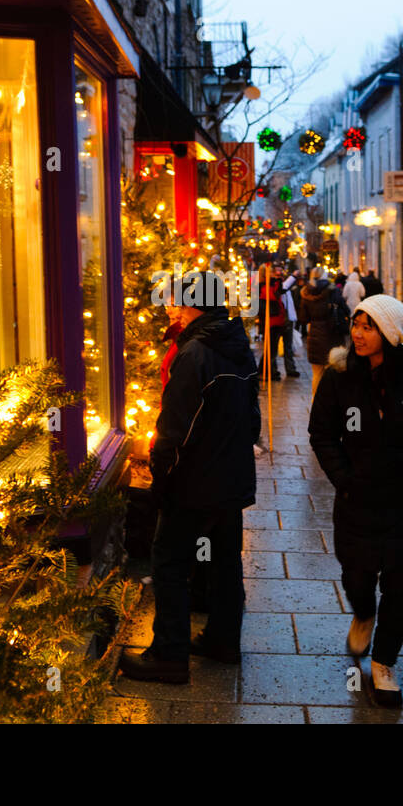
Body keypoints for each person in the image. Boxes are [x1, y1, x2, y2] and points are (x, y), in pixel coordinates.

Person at [119, 270, 261, 683]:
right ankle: (223, 641)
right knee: (224, 564)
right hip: (232, 478)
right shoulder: (237, 345)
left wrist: (161, 477)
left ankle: (169, 653)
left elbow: (176, 428)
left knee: (170, 563)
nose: (174, 310)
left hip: (194, 482)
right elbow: (251, 419)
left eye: (179, 302)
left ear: (194, 304)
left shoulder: (195, 353)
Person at [308, 295, 403, 708]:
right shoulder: (339, 376)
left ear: (389, 333)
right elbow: (322, 433)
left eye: (368, 326)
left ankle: (384, 663)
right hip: (357, 497)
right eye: (356, 324)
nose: (358, 333)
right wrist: (344, 477)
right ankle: (363, 613)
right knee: (357, 575)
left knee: (399, 587)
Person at [297, 266, 342, 397]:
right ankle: (330, 402)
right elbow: (343, 308)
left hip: (315, 333)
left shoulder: (306, 292)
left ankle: (315, 401)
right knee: (331, 371)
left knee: (317, 373)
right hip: (331, 333)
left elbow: (303, 318)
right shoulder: (333, 290)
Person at [256, 263, 289, 381]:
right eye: (271, 272)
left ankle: (266, 370)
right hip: (271, 320)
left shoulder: (267, 285)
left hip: (273, 320)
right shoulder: (266, 286)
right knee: (271, 348)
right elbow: (274, 297)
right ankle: (265, 371)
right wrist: (277, 282)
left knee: (270, 347)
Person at [278, 266, 302, 378]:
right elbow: (284, 287)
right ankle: (269, 368)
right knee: (273, 347)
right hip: (280, 319)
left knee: (288, 346)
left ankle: (290, 368)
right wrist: (293, 275)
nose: (280, 274)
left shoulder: (283, 286)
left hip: (288, 319)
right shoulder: (277, 286)